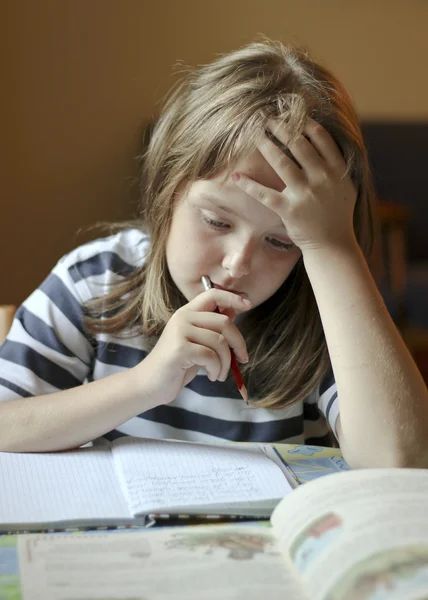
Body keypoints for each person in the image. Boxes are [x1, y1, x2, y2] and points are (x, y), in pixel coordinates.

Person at [1, 39, 427, 468]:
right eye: (217, 222)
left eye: (281, 241)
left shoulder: (328, 309)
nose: (236, 264)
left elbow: (400, 462)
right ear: (167, 189)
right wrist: (146, 384)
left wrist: (331, 246)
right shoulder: (96, 280)